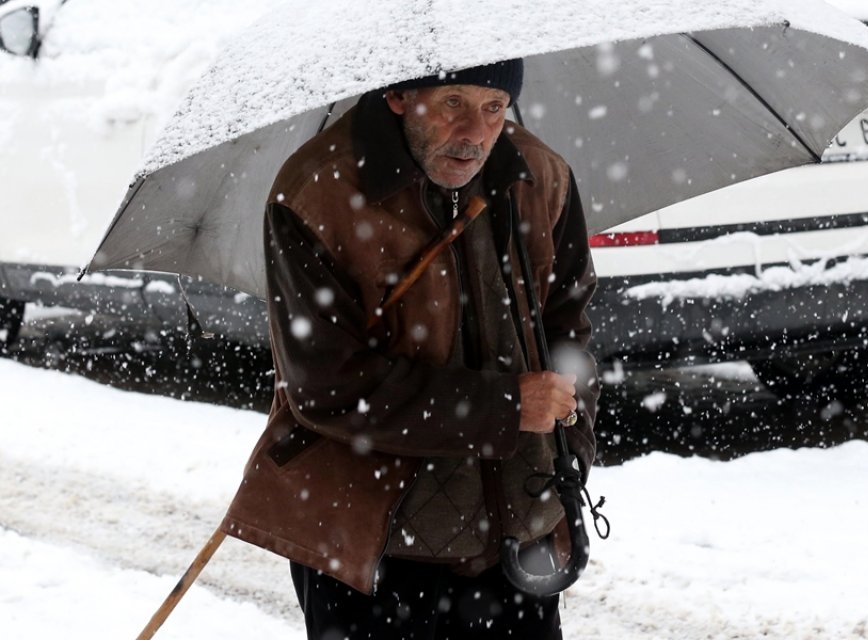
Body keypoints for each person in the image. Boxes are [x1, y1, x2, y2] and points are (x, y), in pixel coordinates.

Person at [220, 59, 599, 640]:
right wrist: (502, 407)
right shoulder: (317, 193)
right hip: (372, 555)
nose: (475, 132)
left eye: (494, 107)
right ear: (399, 94)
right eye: (452, 103)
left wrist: (568, 450)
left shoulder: (538, 177)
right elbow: (326, 387)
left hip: (513, 547)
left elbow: (569, 327)